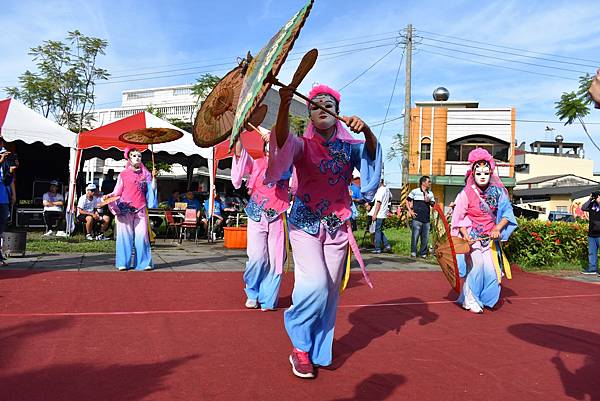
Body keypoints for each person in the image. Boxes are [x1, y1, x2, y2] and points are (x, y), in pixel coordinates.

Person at [267, 83, 382, 379]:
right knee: (315, 283)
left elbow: (371, 154)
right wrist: (282, 105)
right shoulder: (301, 145)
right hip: (304, 224)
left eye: (328, 105)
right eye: (315, 106)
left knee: (330, 291)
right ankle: (300, 345)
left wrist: (366, 129)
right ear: (309, 115)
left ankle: (316, 349)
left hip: (337, 226)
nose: (322, 109)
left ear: (338, 113)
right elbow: (280, 141)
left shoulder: (349, 148)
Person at [451, 148, 517, 313]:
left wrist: (497, 228)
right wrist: (465, 235)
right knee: (478, 265)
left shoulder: (499, 192)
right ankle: (470, 300)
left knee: (493, 270)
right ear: (472, 173)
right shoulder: (465, 193)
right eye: (478, 172)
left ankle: (481, 297)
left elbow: (507, 213)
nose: (482, 175)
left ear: (490, 173)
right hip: (472, 236)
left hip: (490, 237)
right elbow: (458, 218)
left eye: (486, 172)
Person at [232, 127, 290, 311]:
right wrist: (238, 133)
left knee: (275, 260)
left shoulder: (287, 165)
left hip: (277, 216)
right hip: (256, 214)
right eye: (268, 144)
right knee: (258, 258)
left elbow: (289, 170)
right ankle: (252, 292)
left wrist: (276, 144)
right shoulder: (256, 163)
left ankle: (268, 298)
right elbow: (240, 155)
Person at [105, 147, 157, 271]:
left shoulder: (146, 174)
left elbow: (152, 190)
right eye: (134, 155)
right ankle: (123, 262)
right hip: (125, 208)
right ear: (129, 158)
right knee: (124, 236)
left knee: (142, 236)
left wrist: (154, 178)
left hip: (141, 208)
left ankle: (144, 263)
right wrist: (109, 196)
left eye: (139, 155)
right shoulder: (123, 174)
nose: (137, 158)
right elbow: (117, 191)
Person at [406, 176, 435, 258]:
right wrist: (410, 211)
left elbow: (433, 204)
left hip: (426, 219)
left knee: (425, 238)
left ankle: (423, 253)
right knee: (415, 236)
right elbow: (407, 200)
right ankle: (413, 252)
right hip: (417, 218)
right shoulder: (415, 191)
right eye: (428, 182)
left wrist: (429, 201)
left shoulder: (430, 193)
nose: (430, 183)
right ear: (423, 183)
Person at [0, 144, 15, 266]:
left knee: (2, 225)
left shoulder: (5, 164)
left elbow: (8, 181)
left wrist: (10, 171)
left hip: (3, 197)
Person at [580, 191, 600, 275]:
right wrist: (590, 199)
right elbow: (583, 208)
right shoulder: (591, 204)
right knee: (592, 252)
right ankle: (592, 269)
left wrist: (599, 201)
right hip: (591, 233)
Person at [371, 179, 392, 254]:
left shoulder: (380, 190)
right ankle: (387, 245)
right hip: (384, 213)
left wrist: (375, 214)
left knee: (377, 231)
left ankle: (378, 248)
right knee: (379, 230)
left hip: (379, 213)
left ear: (380, 182)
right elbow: (390, 198)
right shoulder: (387, 190)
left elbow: (378, 203)